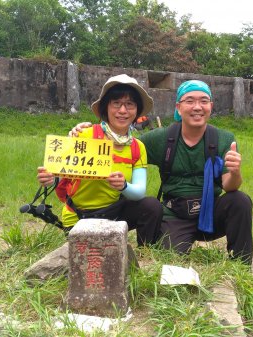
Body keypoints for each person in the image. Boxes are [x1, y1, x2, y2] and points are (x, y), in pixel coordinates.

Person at [70, 80, 253, 264]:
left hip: (211, 213)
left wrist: (235, 172)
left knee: (240, 200)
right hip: (176, 215)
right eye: (189, 101)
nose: (197, 107)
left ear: (211, 106)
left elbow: (230, 185)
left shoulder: (224, 139)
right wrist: (89, 133)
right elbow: (124, 145)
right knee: (170, 261)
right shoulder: (162, 138)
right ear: (179, 107)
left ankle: (242, 265)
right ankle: (158, 250)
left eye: (203, 101)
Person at [36, 74, 162, 246]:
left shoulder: (137, 147)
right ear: (106, 107)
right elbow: (61, 171)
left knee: (151, 205)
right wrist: (50, 179)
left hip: (114, 214)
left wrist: (123, 185)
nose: (123, 110)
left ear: (137, 110)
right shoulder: (85, 135)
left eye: (130, 104)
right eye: (116, 103)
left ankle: (145, 251)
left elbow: (139, 191)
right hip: (79, 216)